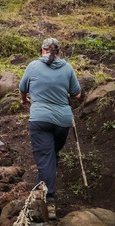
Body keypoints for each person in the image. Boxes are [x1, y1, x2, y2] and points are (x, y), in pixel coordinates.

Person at [19, 37, 81, 220]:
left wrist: (24, 101)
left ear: (42, 51)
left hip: (40, 119)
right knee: (51, 155)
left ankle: (49, 200)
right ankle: (44, 183)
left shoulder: (32, 66)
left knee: (47, 158)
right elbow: (77, 94)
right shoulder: (68, 68)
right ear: (59, 52)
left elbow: (22, 88)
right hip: (63, 121)